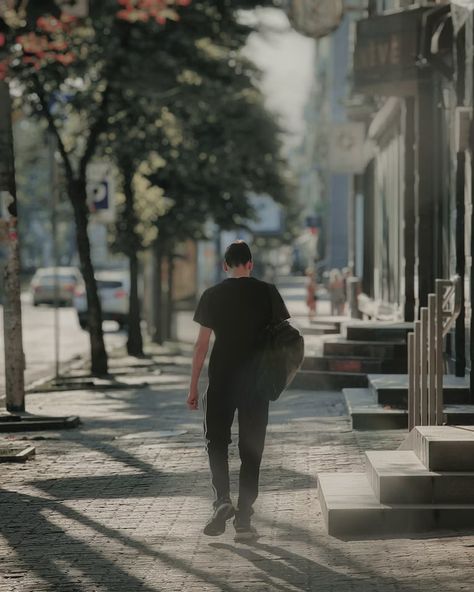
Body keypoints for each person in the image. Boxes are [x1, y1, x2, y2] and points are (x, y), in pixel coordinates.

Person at [187, 241, 290, 542]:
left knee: (215, 442)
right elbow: (284, 339)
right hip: (256, 383)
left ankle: (222, 501)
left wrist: (193, 386)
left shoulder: (212, 295)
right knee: (251, 449)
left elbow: (201, 345)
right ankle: (244, 519)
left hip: (221, 381)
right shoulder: (267, 292)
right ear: (250, 264)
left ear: (224, 266)